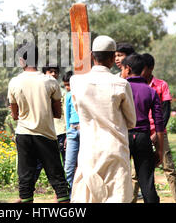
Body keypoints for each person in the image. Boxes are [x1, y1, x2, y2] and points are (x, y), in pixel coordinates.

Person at [69, 35, 136, 203]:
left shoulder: (76, 81)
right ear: (113, 58)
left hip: (89, 151)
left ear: (92, 56)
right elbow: (131, 121)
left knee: (87, 198)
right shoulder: (121, 84)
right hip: (115, 150)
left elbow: (79, 109)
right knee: (117, 197)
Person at [7, 43, 70, 203]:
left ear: (21, 60)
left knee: (25, 179)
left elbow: (15, 115)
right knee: (57, 177)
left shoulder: (14, 82)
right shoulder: (50, 81)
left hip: (24, 135)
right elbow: (57, 113)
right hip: (46, 134)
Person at [140, 53, 176, 203]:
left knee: (169, 168)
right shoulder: (136, 85)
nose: (140, 71)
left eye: (143, 68)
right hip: (142, 132)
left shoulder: (161, 85)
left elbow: (165, 112)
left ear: (151, 69)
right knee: (135, 172)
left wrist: (157, 133)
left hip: (159, 132)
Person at [121, 53, 164, 203]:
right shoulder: (150, 91)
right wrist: (159, 149)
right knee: (147, 182)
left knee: (121, 180)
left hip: (123, 137)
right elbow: (159, 123)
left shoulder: (121, 88)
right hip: (143, 138)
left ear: (128, 68)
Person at [63, 71, 80, 191]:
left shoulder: (82, 92)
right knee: (69, 166)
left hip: (84, 129)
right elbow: (67, 115)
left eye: (69, 84)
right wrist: (68, 131)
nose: (68, 87)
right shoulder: (68, 95)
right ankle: (68, 194)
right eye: (66, 85)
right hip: (72, 130)